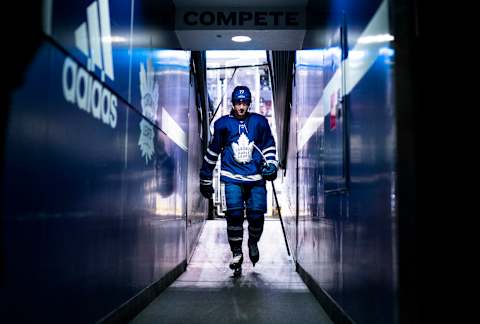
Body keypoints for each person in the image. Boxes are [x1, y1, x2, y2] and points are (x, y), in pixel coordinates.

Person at [199, 85, 278, 276]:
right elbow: (213, 152)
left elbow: (268, 146)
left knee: (256, 216)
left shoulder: (259, 122)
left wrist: (272, 165)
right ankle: (236, 253)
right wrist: (206, 177)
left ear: (249, 103)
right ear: (233, 104)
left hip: (256, 178)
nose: (241, 106)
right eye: (237, 103)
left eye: (244, 103)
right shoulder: (222, 125)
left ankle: (252, 242)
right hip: (231, 177)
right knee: (234, 216)